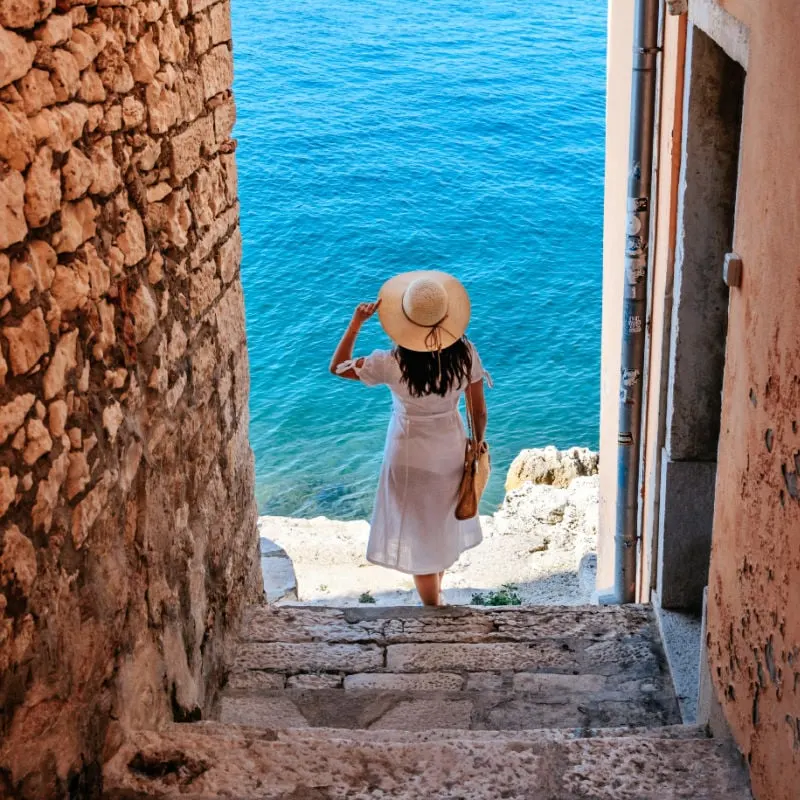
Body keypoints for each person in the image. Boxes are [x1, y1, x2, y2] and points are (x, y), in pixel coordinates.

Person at [329, 270, 489, 606]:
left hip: (407, 455)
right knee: (440, 526)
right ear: (446, 317)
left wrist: (356, 323)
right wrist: (476, 444)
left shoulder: (391, 363)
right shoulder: (465, 354)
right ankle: (437, 601)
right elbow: (479, 411)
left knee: (420, 535)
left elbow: (338, 367)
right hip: (449, 449)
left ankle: (433, 610)